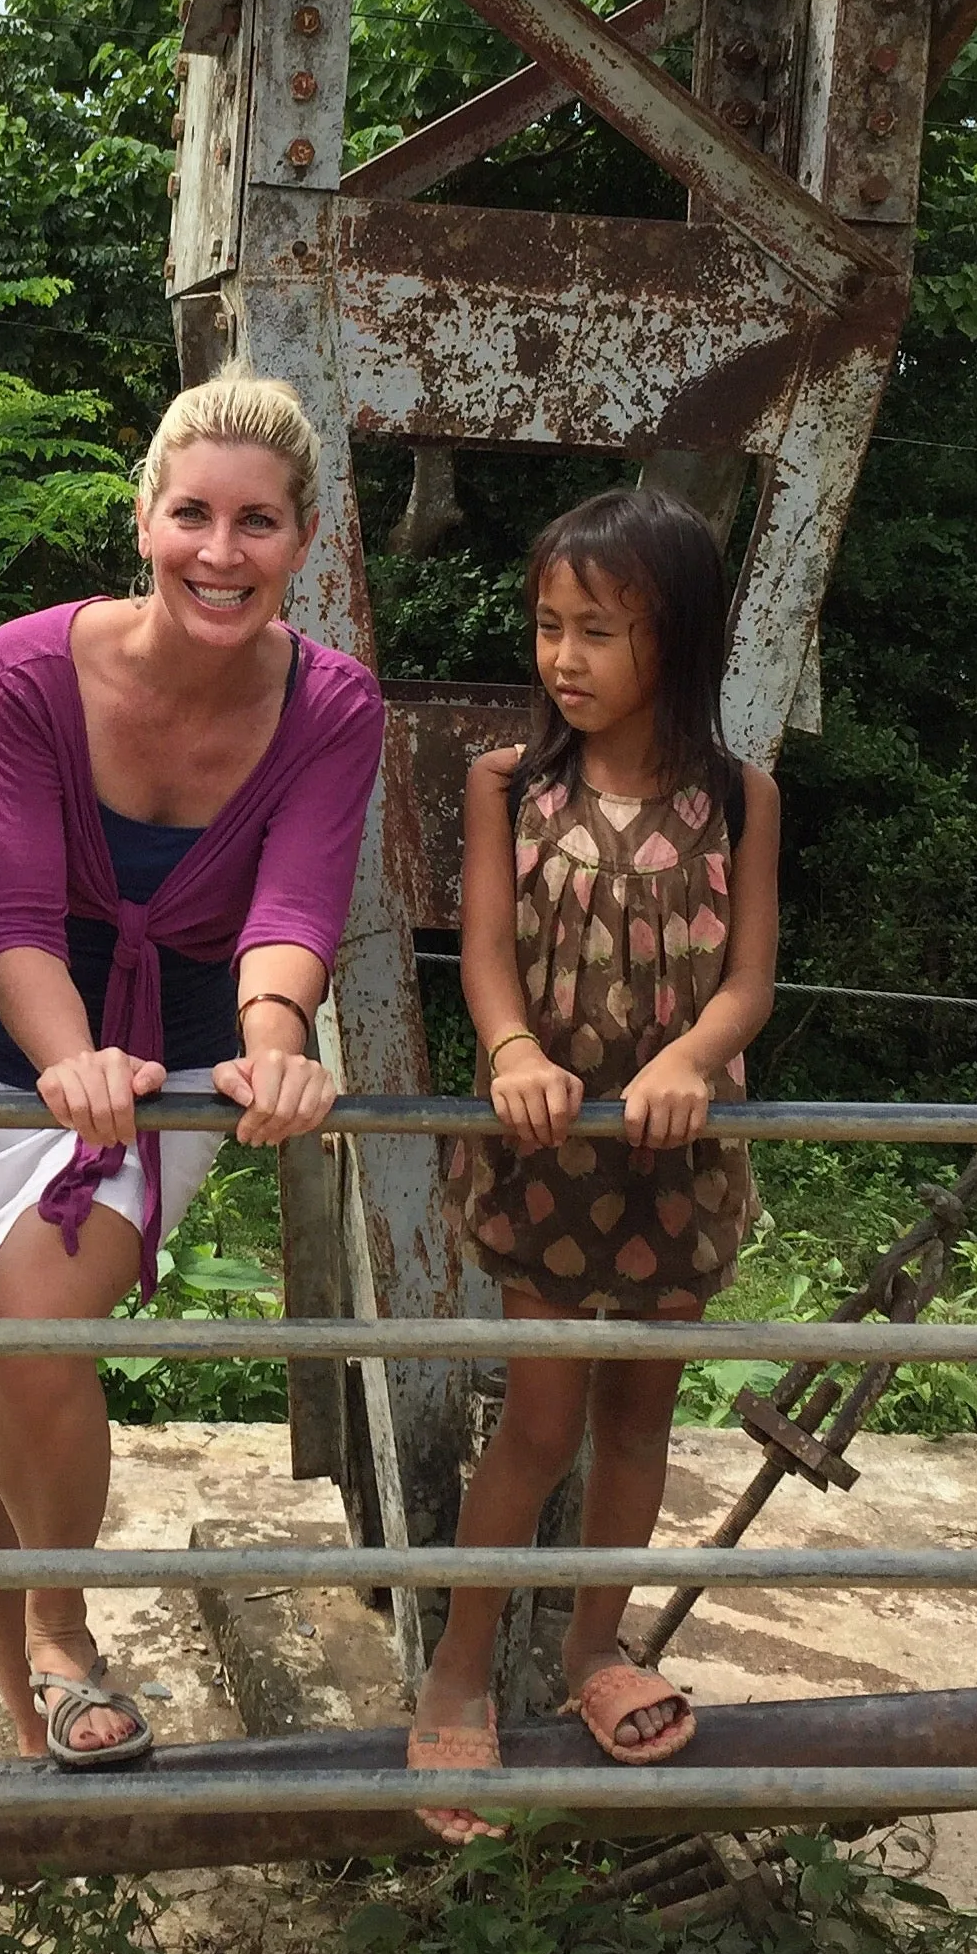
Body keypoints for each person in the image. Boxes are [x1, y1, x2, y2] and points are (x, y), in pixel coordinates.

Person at [0, 373, 384, 1770]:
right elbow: (18, 923)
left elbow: (293, 913)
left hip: (175, 1056)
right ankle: (30, 1697)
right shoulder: (28, 667)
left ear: (304, 541)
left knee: (31, 1325)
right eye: (193, 515)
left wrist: (279, 1048)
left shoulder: (335, 707)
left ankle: (60, 1631)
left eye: (257, 524)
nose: (219, 554)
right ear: (145, 519)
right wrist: (70, 1064)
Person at [410, 487, 778, 1840]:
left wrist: (694, 1057)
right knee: (543, 1422)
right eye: (550, 625)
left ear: (674, 641)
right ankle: (457, 1668)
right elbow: (487, 954)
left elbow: (749, 983)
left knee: (639, 1425)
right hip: (551, 1152)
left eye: (600, 630)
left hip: (678, 1162)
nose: (564, 656)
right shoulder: (514, 783)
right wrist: (511, 1049)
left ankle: (592, 1652)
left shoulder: (741, 796)